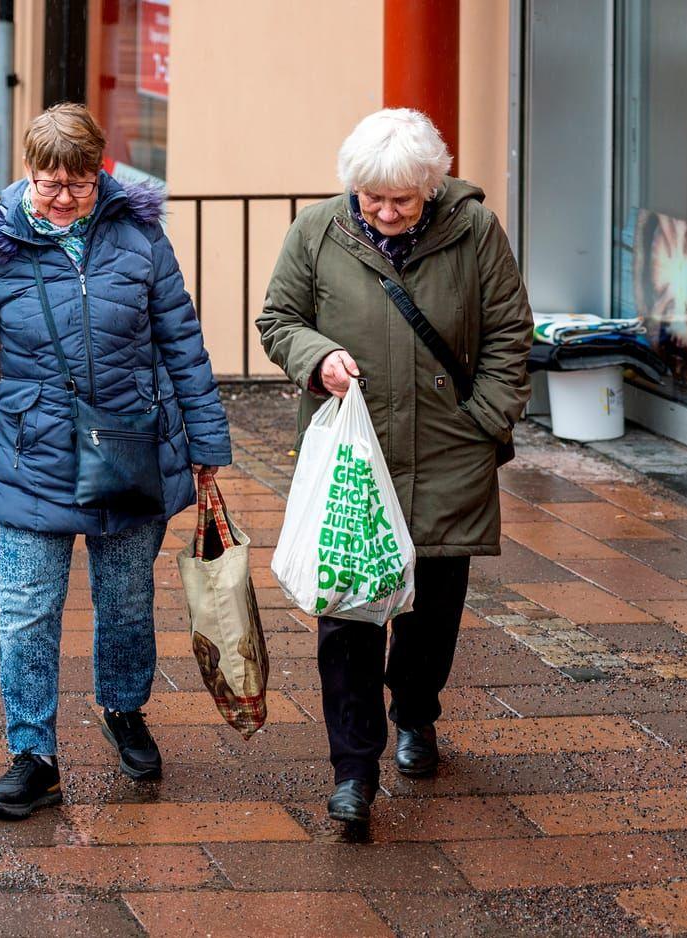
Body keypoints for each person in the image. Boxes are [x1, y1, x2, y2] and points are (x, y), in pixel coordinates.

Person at [0, 103, 231, 820]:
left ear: (99, 175)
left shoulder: (139, 236)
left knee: (124, 603)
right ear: (26, 173)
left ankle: (123, 708)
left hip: (131, 446)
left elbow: (181, 341)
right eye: (48, 183)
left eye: (77, 184)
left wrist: (206, 445)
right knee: (26, 613)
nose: (60, 199)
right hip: (35, 454)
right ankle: (33, 755)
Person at [256, 108, 532, 828]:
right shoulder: (317, 231)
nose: (382, 213)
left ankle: (415, 713)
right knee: (346, 615)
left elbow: (507, 329)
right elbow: (278, 319)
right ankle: (353, 769)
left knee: (430, 614)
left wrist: (485, 419)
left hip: (448, 452)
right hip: (354, 455)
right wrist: (316, 358)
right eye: (370, 198)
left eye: (400, 201)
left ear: (431, 189)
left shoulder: (474, 232)